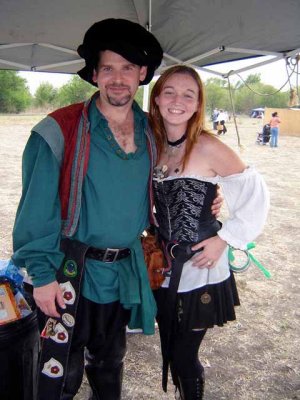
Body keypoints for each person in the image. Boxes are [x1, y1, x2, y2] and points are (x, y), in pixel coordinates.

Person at [11, 20, 221, 400]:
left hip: (124, 270)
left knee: (109, 364)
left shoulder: (153, 131)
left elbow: (182, 179)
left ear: (143, 74)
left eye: (128, 68)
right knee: (61, 372)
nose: (118, 78)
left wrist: (217, 206)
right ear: (95, 74)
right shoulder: (59, 129)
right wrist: (41, 276)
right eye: (108, 68)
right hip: (68, 271)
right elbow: (35, 209)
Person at [148, 65, 270, 400]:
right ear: (157, 98)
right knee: (171, 345)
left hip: (202, 267)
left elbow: (254, 194)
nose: (178, 100)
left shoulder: (208, 146)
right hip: (164, 266)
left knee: (186, 355)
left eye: (189, 94)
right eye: (169, 91)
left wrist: (224, 239)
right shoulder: (152, 143)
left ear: (199, 103)